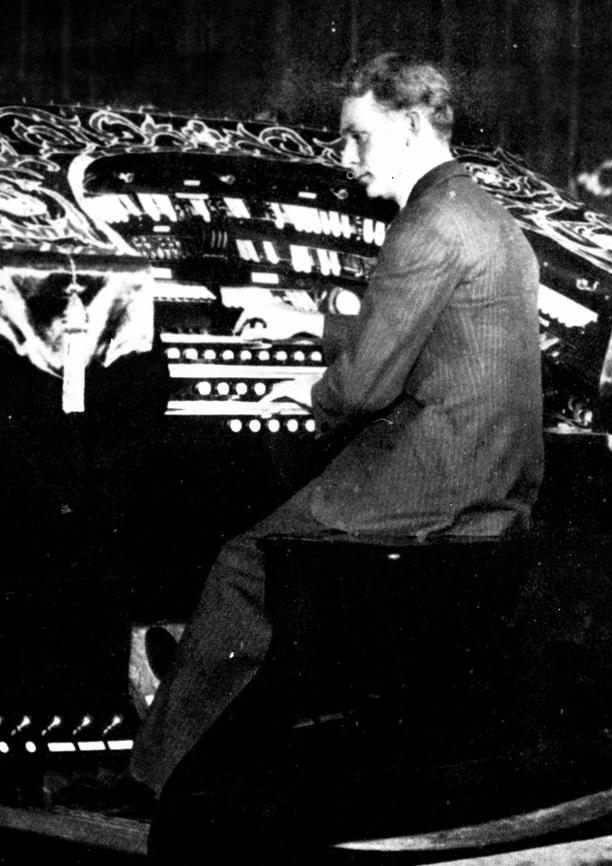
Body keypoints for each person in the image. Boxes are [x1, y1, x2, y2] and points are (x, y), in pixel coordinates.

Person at [128, 51, 544, 800]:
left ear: (412, 125)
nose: (346, 159)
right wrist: (306, 318)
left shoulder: (424, 224)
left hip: (435, 488)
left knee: (244, 563)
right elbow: (428, 327)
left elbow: (361, 388)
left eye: (358, 137)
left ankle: (164, 786)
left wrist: (292, 387)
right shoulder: (482, 212)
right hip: (495, 478)